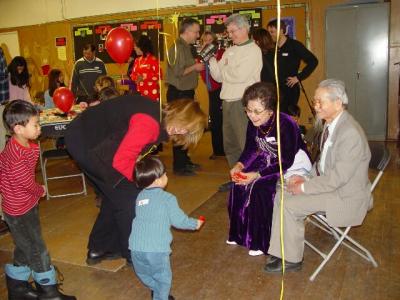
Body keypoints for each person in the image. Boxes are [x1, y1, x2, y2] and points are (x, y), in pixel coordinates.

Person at [64, 95, 207, 266]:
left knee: (114, 195)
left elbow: (129, 147)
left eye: (188, 131)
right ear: (181, 119)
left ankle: (100, 248)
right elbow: (122, 161)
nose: (184, 133)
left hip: (89, 137)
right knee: (131, 198)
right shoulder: (150, 124)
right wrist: (145, 184)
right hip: (85, 140)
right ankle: (133, 254)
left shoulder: (158, 116)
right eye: (187, 128)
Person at [265, 79, 372, 273]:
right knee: (281, 192)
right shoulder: (331, 125)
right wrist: (304, 178)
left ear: (338, 103)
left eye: (320, 102)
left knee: (290, 204)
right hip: (334, 188)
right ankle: (281, 250)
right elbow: (322, 164)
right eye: (315, 101)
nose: (315, 106)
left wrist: (304, 187)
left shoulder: (350, 134)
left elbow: (337, 178)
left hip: (346, 197)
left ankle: (292, 260)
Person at [0, 100, 76, 299]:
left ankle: (17, 289)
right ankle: (48, 290)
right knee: (37, 248)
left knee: (25, 245)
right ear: (18, 129)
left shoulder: (24, 146)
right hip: (18, 210)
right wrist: (39, 190)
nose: (39, 128)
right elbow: (25, 181)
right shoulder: (15, 153)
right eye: (35, 125)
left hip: (24, 205)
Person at [226, 82, 311, 256]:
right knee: (238, 183)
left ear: (270, 109)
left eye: (257, 111)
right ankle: (239, 234)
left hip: (293, 164)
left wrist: (257, 175)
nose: (252, 116)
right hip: (268, 158)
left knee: (260, 187)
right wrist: (239, 165)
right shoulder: (254, 123)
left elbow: (286, 160)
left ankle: (260, 241)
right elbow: (251, 149)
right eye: (248, 110)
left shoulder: (286, 123)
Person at [129, 156, 204, 300]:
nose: (166, 176)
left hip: (135, 247)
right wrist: (195, 224)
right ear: (157, 180)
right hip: (157, 250)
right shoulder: (168, 198)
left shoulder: (139, 197)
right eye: (165, 174)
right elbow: (179, 221)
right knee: (163, 279)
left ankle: (154, 289)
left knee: (144, 273)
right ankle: (160, 296)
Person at [209, 14, 263, 191]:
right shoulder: (229, 51)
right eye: (229, 31)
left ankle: (251, 179)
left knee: (244, 144)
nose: (230, 35)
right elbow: (217, 76)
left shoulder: (254, 50)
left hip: (243, 103)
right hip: (227, 101)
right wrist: (210, 58)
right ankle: (236, 178)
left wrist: (225, 69)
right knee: (230, 144)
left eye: (233, 31)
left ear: (244, 29)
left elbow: (239, 76)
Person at [165, 18, 205, 176]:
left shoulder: (186, 47)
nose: (197, 34)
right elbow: (177, 72)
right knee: (178, 129)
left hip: (186, 92)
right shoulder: (176, 48)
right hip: (178, 92)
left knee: (186, 128)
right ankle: (179, 166)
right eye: (196, 31)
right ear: (187, 31)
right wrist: (195, 67)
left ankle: (185, 161)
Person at [266, 19, 318, 113]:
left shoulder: (294, 45)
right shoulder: (271, 48)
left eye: (272, 32)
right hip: (274, 90)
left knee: (287, 118)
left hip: (289, 89)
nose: (270, 35)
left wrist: (298, 77)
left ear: (281, 31)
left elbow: (313, 61)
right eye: (269, 32)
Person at [199, 31, 225, 160]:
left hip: (224, 89)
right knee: (214, 120)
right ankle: (217, 150)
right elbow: (203, 75)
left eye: (210, 40)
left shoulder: (221, 53)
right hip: (212, 91)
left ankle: (227, 149)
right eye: (205, 40)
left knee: (225, 120)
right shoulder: (201, 56)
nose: (208, 43)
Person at [130, 34, 161, 101]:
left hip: (152, 94)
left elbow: (159, 75)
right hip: (139, 94)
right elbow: (132, 75)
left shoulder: (153, 59)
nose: (134, 48)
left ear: (141, 47)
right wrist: (136, 78)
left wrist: (144, 77)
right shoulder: (137, 60)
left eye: (135, 46)